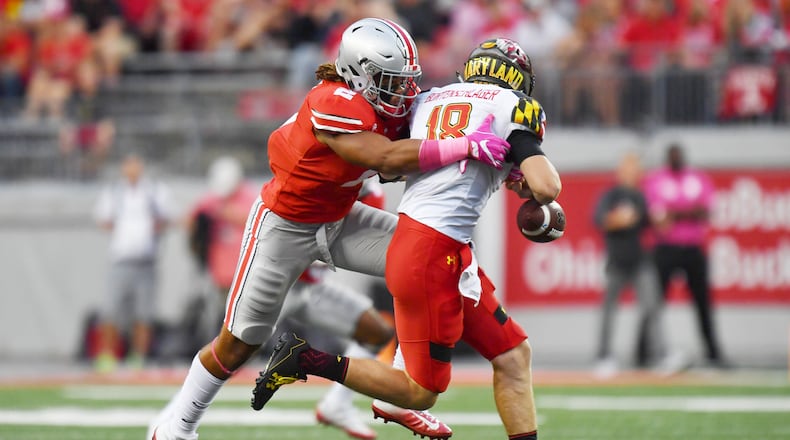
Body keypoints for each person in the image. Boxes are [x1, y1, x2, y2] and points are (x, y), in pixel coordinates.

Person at [148, 17, 510, 440]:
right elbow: (387, 158)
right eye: (392, 81)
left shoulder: (384, 106)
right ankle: (176, 429)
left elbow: (437, 120)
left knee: (427, 258)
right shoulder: (334, 100)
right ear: (359, 73)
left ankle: (394, 392)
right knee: (239, 342)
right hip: (283, 228)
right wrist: (464, 146)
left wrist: (509, 164)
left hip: (338, 221)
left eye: (406, 80)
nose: (404, 91)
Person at [253, 37, 562, 440]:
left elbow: (398, 166)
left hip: (434, 249)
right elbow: (547, 187)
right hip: (432, 255)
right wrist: (534, 182)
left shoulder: (429, 99)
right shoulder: (512, 106)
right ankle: (304, 359)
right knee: (420, 392)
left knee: (512, 353)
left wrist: (505, 169)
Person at [639, 143, 728, 369]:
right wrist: (689, 212)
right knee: (653, 303)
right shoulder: (656, 179)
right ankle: (642, 353)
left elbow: (705, 210)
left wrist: (674, 214)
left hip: (693, 247)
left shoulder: (697, 178)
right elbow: (656, 215)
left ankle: (713, 352)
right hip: (665, 247)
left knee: (703, 303)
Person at [93, 153, 172, 373]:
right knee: (111, 309)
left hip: (146, 261)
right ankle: (107, 355)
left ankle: (138, 356)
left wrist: (147, 232)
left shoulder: (154, 191)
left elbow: (166, 217)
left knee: (144, 313)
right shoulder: (114, 192)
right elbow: (103, 219)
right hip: (121, 260)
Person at [592, 151, 664, 377]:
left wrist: (660, 221)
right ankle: (603, 356)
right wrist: (618, 219)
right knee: (608, 310)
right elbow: (599, 220)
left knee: (652, 306)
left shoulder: (640, 196)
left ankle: (659, 355)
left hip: (639, 258)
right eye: (630, 168)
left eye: (637, 169)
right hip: (616, 260)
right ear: (621, 171)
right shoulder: (611, 195)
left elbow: (649, 224)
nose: (634, 173)